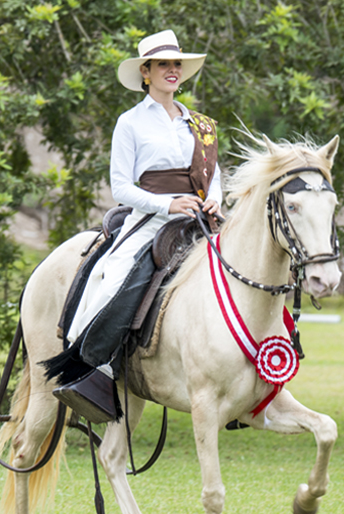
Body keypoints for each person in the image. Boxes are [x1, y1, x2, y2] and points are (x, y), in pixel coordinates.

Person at [47, 29, 222, 416]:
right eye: (163, 64)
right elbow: (121, 188)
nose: (172, 70)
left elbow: (215, 175)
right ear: (146, 72)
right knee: (116, 278)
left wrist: (213, 202)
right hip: (150, 220)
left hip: (200, 219)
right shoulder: (130, 123)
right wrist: (167, 205)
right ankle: (95, 369)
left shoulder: (202, 126)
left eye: (176, 63)